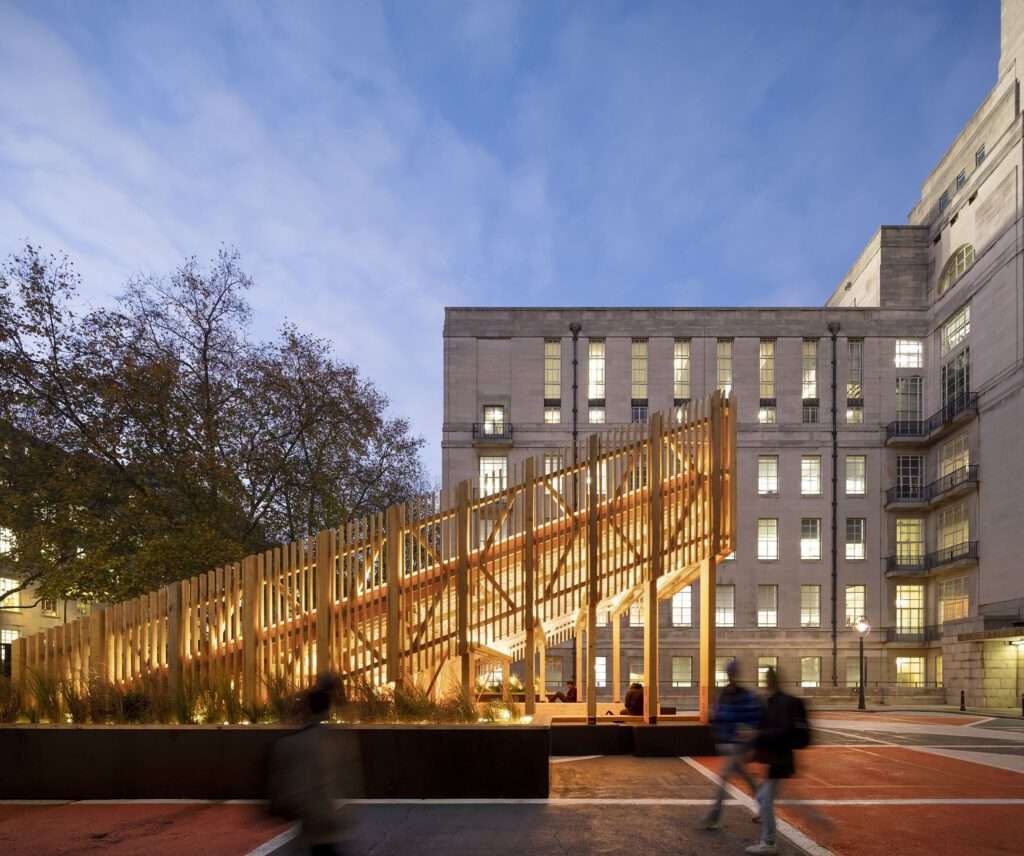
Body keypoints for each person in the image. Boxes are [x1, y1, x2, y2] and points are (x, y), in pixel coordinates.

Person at [267, 674, 357, 855]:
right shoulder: (334, 739)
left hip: (309, 819)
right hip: (327, 819)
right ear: (327, 709)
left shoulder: (292, 742)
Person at [745, 667, 810, 855]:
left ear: (770, 681)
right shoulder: (773, 701)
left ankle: (769, 841)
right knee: (762, 797)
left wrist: (759, 735)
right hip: (778, 758)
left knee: (765, 800)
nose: (765, 682)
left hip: (781, 758)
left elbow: (781, 731)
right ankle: (768, 836)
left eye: (767, 679)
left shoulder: (778, 703)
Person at [700, 659, 763, 831]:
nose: (731, 675)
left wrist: (748, 737)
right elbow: (719, 716)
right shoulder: (728, 694)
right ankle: (765, 807)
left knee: (724, 778)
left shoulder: (738, 695)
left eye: (732, 672)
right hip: (729, 743)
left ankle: (713, 816)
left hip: (737, 743)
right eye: (730, 672)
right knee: (746, 777)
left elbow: (752, 719)